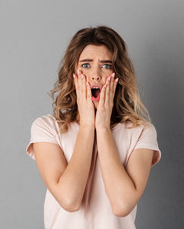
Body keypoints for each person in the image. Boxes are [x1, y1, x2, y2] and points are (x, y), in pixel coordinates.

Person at [26, 26, 161, 229]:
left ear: (117, 74)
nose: (95, 75)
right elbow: (70, 199)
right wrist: (88, 125)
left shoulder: (141, 131)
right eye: (86, 65)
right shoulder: (47, 128)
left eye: (106, 66)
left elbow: (122, 204)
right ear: (73, 73)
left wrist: (103, 128)